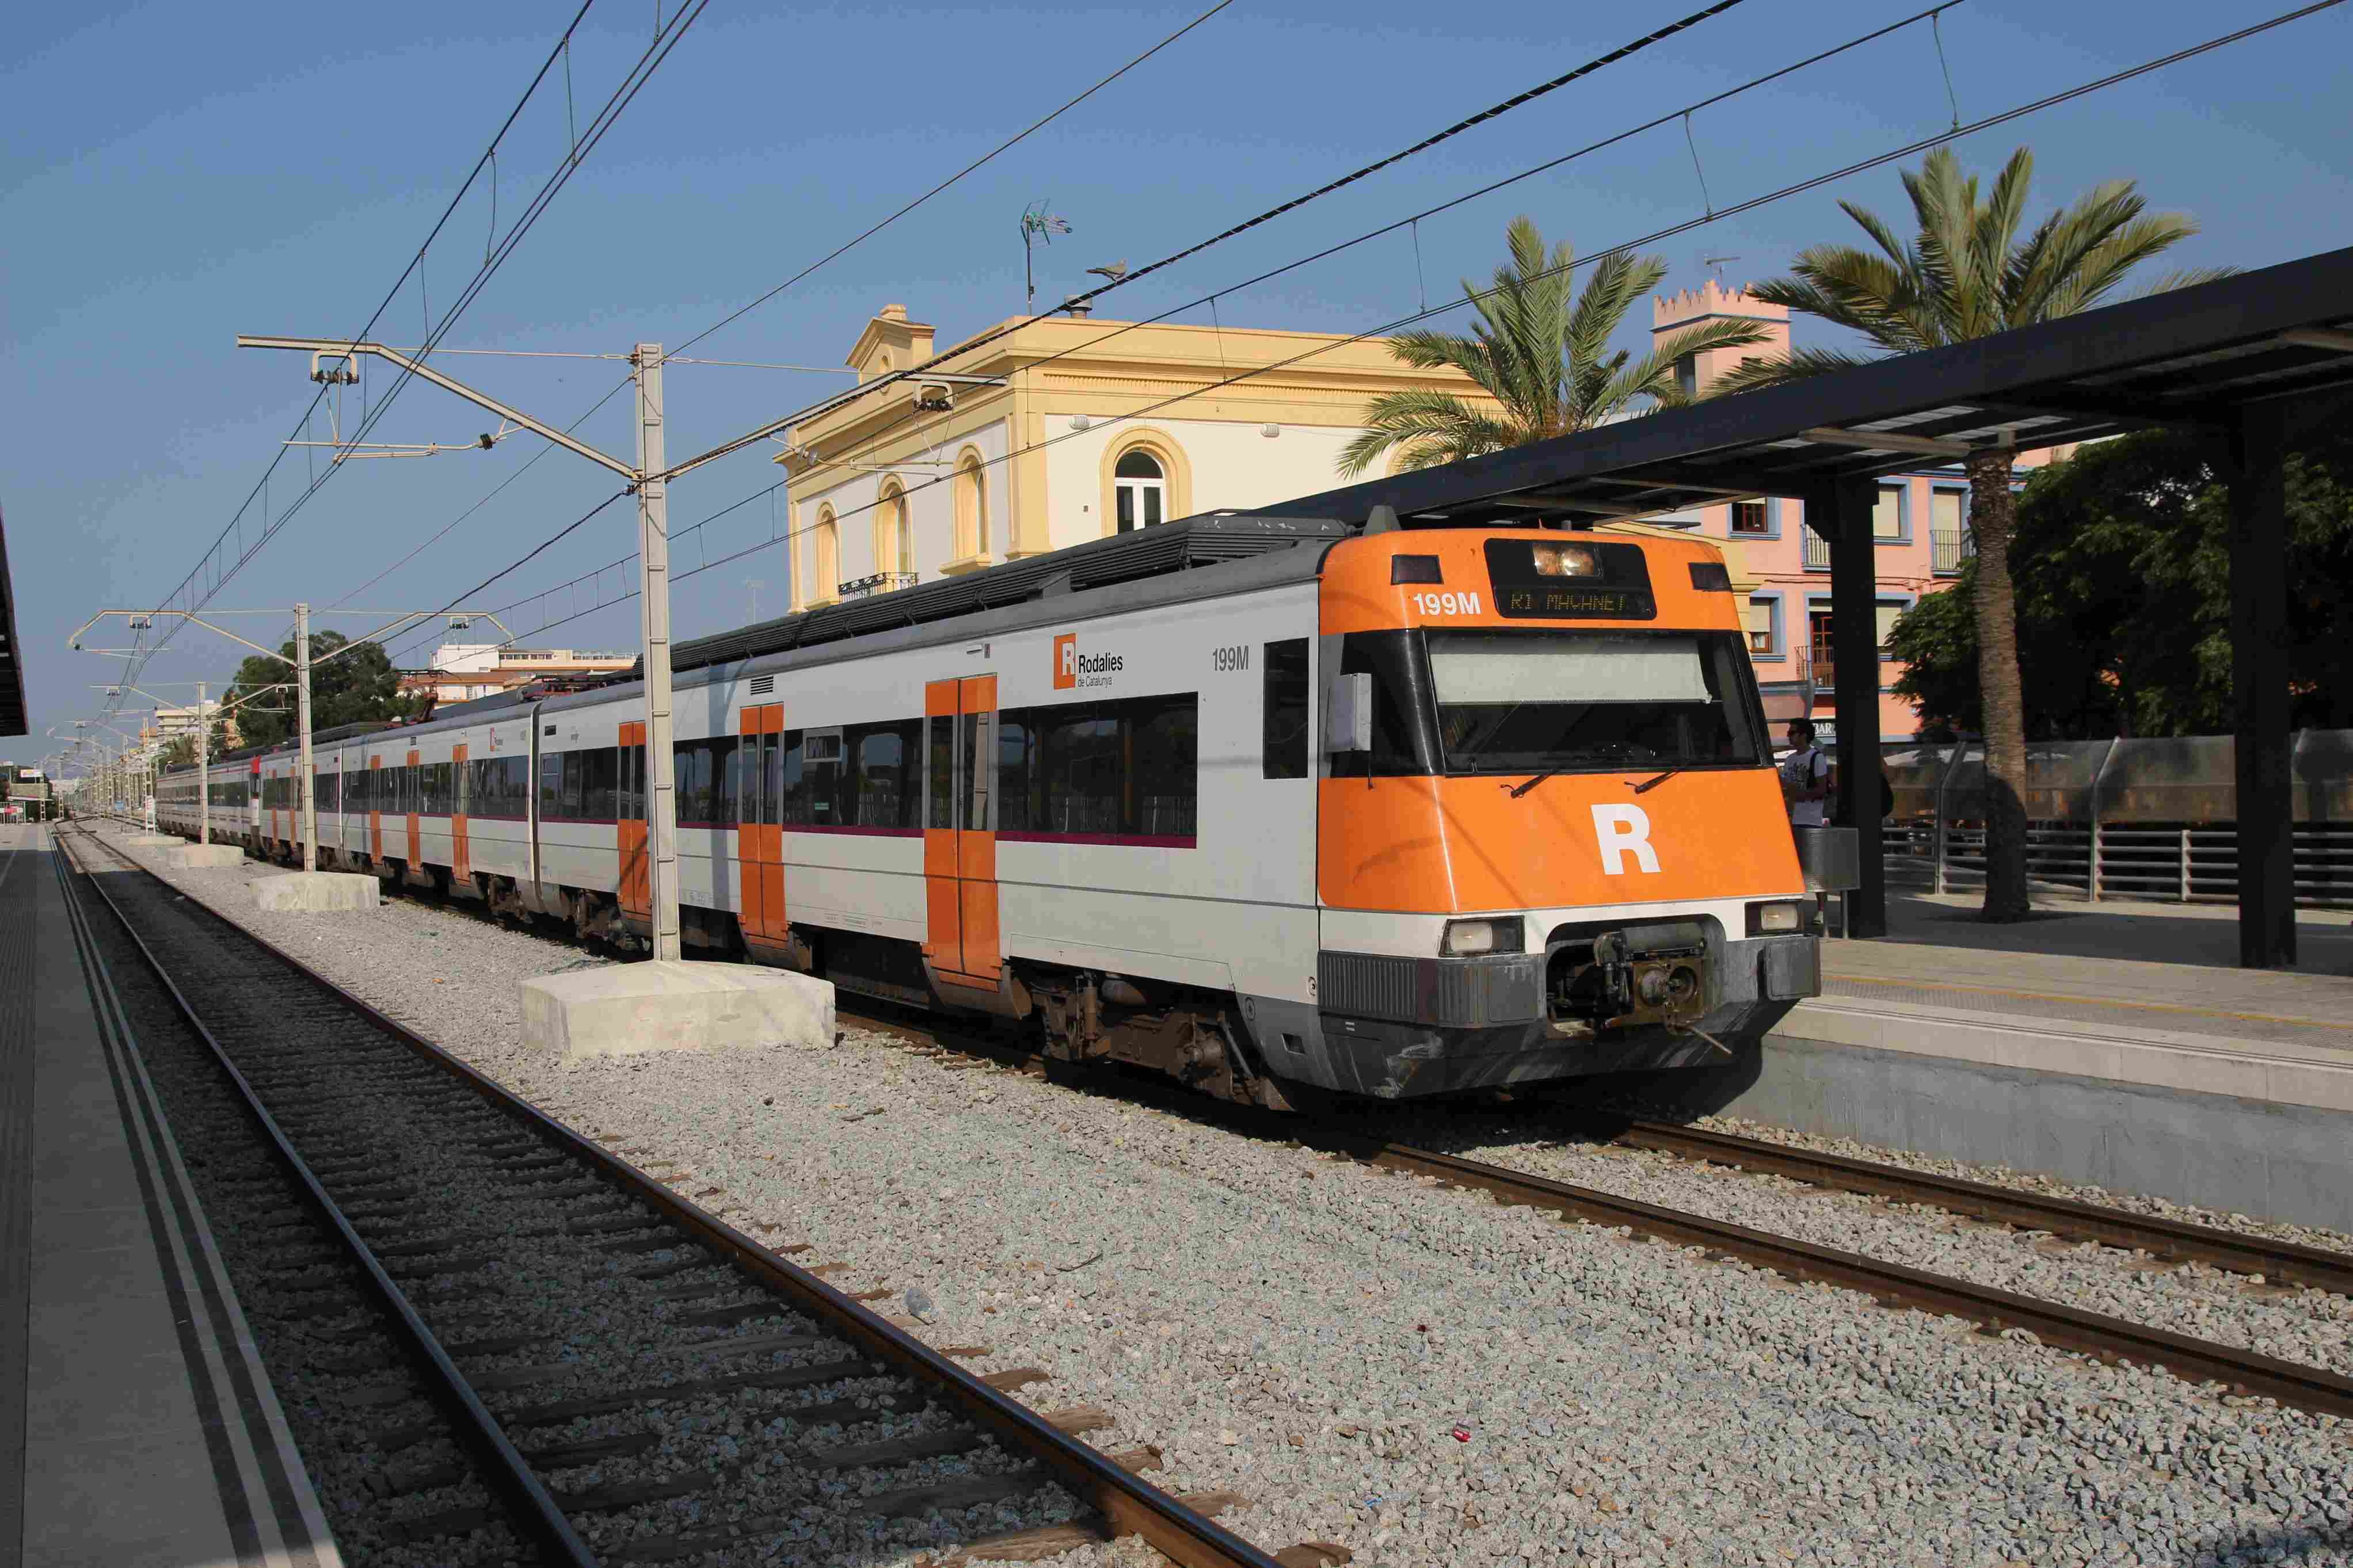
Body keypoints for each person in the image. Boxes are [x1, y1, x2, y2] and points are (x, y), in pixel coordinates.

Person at [1779, 719, 1833, 826]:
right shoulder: (1790, 759)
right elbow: (1785, 785)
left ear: (1803, 736)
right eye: (1788, 733)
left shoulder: (1817, 757)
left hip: (1811, 821)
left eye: (1792, 733)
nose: (1788, 736)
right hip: (1791, 820)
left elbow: (1822, 790)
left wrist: (1799, 794)